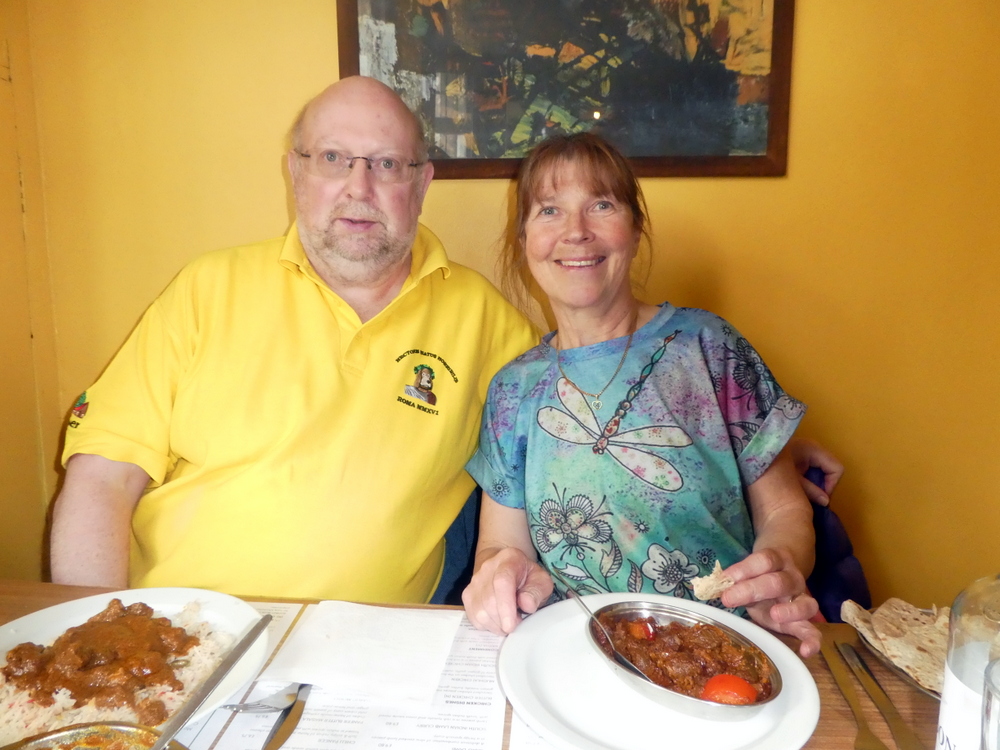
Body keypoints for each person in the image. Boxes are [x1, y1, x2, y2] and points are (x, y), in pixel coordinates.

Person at [48, 76, 539, 603]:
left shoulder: (491, 323)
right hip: (177, 621)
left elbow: (555, 459)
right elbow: (103, 476)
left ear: (421, 184)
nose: (358, 187)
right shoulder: (206, 287)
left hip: (369, 640)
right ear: (296, 172)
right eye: (332, 158)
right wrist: (96, 628)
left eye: (387, 163)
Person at [461, 133, 823, 656]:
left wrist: (780, 567)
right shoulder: (513, 390)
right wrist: (501, 573)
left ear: (634, 229)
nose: (576, 231)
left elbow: (785, 511)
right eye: (549, 210)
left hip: (721, 644)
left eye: (601, 205)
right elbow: (499, 544)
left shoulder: (709, 346)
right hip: (572, 651)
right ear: (523, 241)